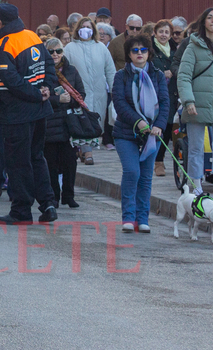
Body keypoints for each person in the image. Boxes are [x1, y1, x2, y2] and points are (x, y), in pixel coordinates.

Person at [0, 3, 57, 225]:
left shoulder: (3, 43)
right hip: (38, 111)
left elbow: (12, 82)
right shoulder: (31, 36)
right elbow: (48, 63)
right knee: (37, 157)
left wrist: (38, 94)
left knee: (18, 162)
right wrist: (45, 88)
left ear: (0, 22)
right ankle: (48, 204)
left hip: (17, 113)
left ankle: (21, 210)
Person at [110, 34, 169, 232]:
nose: (139, 54)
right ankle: (128, 217)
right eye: (135, 50)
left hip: (152, 135)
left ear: (149, 53)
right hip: (126, 134)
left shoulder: (158, 75)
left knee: (145, 177)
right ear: (129, 54)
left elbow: (165, 103)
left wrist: (159, 125)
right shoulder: (121, 75)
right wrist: (138, 122)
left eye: (143, 50)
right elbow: (119, 103)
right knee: (132, 172)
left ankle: (143, 218)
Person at [177, 7, 213, 202]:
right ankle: (197, 187)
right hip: (197, 105)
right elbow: (183, 76)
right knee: (196, 148)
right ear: (204, 22)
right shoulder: (193, 46)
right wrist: (188, 100)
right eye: (210, 17)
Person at [64, 15, 116, 162]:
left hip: (99, 93)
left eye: (88, 27)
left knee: (95, 122)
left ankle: (84, 149)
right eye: (83, 27)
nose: (85, 30)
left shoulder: (101, 48)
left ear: (93, 30)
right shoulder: (70, 48)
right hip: (78, 93)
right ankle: (87, 153)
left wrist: (114, 91)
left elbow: (110, 71)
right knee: (81, 121)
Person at [43, 37, 84, 209]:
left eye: (58, 51)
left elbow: (81, 94)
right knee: (50, 162)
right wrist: (57, 99)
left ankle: (69, 195)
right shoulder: (42, 71)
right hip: (49, 121)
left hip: (68, 123)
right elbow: (38, 95)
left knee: (70, 162)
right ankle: (53, 196)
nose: (55, 54)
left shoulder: (71, 70)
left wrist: (70, 101)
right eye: (51, 51)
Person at [149, 20, 176, 177]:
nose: (164, 35)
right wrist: (161, 73)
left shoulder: (174, 51)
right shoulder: (151, 51)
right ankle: (156, 160)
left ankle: (160, 159)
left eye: (167, 32)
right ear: (155, 33)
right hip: (155, 94)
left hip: (171, 94)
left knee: (168, 127)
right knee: (156, 126)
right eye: (161, 32)